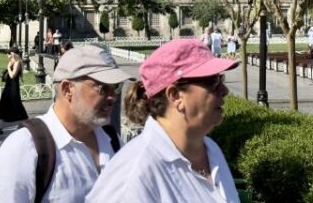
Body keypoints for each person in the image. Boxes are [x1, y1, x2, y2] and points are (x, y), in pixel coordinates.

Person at [86, 39, 240, 202]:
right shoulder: (134, 176)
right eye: (212, 82)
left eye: (221, 79)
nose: (224, 90)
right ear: (175, 95)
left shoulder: (211, 150)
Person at [0, 45, 131, 202]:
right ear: (67, 89)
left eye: (116, 87)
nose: (112, 97)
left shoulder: (112, 140)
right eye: (103, 88)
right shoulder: (24, 150)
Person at [0, 48, 28, 135]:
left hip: (13, 88)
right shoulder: (11, 62)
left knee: (17, 105)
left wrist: (8, 67)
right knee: (3, 104)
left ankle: (28, 124)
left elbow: (12, 75)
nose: (7, 55)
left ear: (13, 54)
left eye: (8, 53)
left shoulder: (17, 63)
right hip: (8, 86)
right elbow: (8, 76)